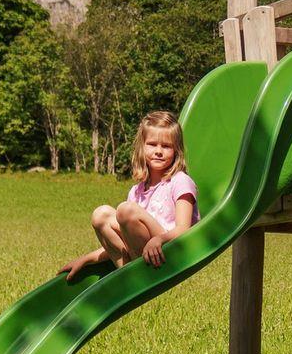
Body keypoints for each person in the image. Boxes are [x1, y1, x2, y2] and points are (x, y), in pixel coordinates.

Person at [60, 110, 199, 282]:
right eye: (152, 144)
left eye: (166, 146)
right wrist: (87, 259)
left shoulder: (180, 181)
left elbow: (184, 229)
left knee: (126, 210)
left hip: (171, 252)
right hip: (145, 252)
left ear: (176, 150)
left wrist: (159, 239)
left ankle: (136, 271)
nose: (158, 151)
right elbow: (126, 241)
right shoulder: (136, 191)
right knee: (101, 214)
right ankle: (127, 272)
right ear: (142, 147)